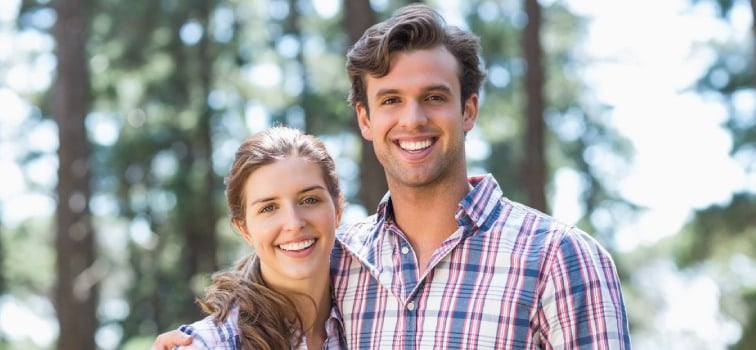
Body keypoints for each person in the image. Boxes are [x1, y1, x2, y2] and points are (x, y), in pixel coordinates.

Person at [153, 4, 630, 349]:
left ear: (468, 110)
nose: (413, 120)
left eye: (434, 97)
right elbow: (261, 299)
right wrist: (200, 338)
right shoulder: (340, 258)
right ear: (365, 119)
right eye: (390, 100)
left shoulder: (559, 258)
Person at [172, 127, 347, 349]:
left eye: (310, 200)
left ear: (338, 209)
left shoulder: (373, 311)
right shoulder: (208, 345)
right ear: (244, 229)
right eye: (269, 208)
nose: (294, 224)